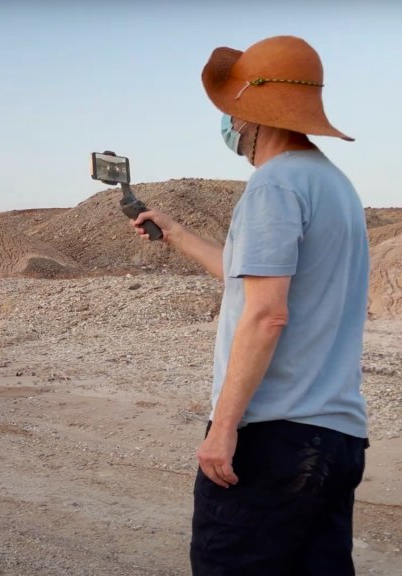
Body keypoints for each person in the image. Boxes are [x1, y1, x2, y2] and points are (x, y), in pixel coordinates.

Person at [130, 36, 368, 574]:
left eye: (233, 111)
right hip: (336, 439)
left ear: (253, 111)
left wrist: (223, 427)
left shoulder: (273, 187)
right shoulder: (335, 186)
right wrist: (176, 234)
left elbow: (267, 314)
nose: (231, 124)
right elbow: (252, 283)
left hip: (273, 438)